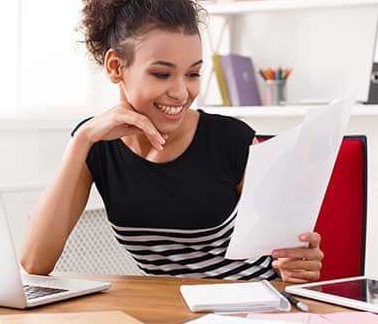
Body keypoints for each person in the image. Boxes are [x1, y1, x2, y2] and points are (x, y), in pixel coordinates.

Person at [21, 0, 323, 283]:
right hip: (168, 312)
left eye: (193, 73)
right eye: (162, 74)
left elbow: (291, 255)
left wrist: (300, 260)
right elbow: (35, 263)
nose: (181, 92)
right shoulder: (95, 145)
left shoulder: (233, 140)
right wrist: (82, 139)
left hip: (251, 310)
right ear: (115, 67)